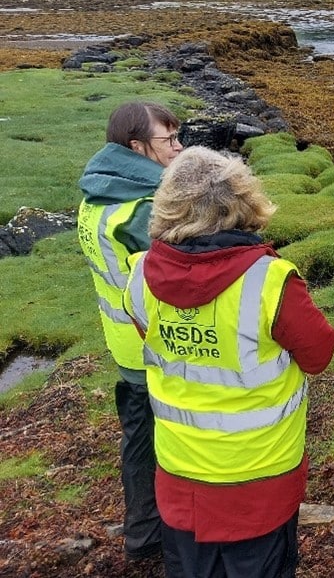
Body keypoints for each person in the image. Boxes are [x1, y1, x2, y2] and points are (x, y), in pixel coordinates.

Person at [123, 146, 334, 578]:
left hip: (181, 475)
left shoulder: (141, 274)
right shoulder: (269, 279)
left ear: (167, 204)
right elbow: (319, 354)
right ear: (244, 200)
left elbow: (152, 338)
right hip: (261, 477)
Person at [77, 100, 184, 561]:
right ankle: (174, 542)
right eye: (170, 140)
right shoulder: (142, 211)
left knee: (138, 441)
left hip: (124, 349)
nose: (180, 148)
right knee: (171, 451)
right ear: (137, 146)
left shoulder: (95, 198)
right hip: (156, 350)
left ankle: (142, 536)